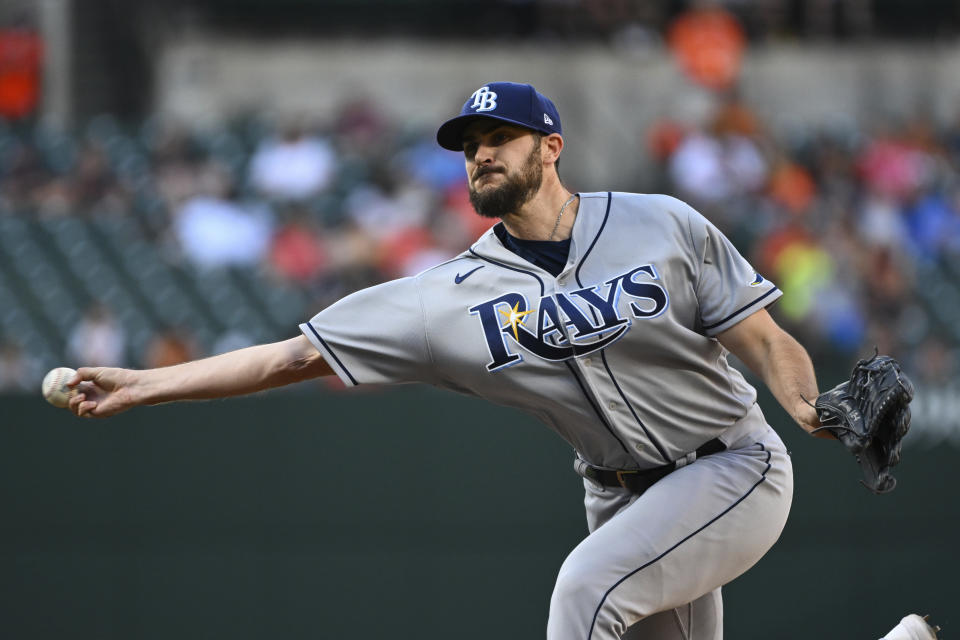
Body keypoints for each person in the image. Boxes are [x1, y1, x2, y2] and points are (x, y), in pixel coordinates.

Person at [68, 82, 825, 639]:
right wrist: (145, 384)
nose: (480, 154)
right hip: (622, 501)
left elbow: (764, 338)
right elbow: (292, 357)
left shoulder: (661, 222)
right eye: (470, 146)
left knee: (585, 591)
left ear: (550, 147)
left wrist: (803, 406)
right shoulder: (447, 297)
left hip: (731, 466)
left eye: (499, 136)